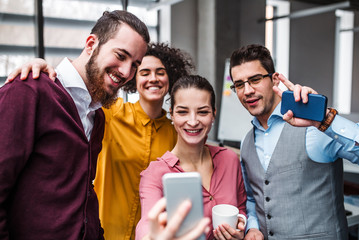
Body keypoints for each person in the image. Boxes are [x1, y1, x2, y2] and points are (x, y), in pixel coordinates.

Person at [5, 42, 194, 239]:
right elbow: (75, 96)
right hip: (104, 232)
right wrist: (42, 66)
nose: (153, 78)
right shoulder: (111, 112)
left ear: (169, 77)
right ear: (133, 78)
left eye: (160, 72)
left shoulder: (175, 134)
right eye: (145, 72)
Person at [0, 10, 149, 240]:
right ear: (91, 44)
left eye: (135, 65)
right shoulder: (28, 91)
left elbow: (83, 193)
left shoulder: (97, 116)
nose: (127, 72)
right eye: (120, 55)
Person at [229, 44, 359, 240]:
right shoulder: (246, 142)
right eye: (239, 84)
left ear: (275, 79)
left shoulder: (315, 127)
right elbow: (252, 198)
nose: (247, 90)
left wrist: (325, 119)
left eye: (255, 79)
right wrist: (252, 227)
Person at [135, 75, 247, 240]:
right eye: (182, 112)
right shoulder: (154, 174)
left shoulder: (230, 159)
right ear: (172, 115)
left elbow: (241, 208)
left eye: (202, 112)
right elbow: (146, 226)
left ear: (213, 115)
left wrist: (240, 228)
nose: (193, 121)